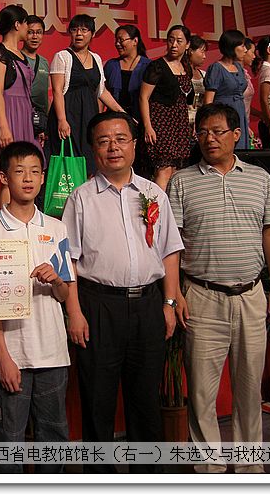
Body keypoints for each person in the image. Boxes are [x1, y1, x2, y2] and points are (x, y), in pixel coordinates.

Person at [62, 111, 183, 474]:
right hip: (99, 306)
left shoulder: (153, 194)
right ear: (93, 149)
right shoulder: (81, 198)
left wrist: (169, 302)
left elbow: (169, 250)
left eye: (120, 139)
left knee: (145, 400)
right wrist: (74, 312)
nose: (113, 147)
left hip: (148, 305)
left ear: (134, 144)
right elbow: (68, 260)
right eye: (103, 141)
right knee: (97, 400)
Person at [167, 103, 270, 474]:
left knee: (249, 388)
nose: (209, 139)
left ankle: (250, 466)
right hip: (201, 296)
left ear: (236, 134)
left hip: (251, 294)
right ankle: (209, 469)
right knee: (202, 391)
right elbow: (172, 243)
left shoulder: (259, 178)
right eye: (202, 132)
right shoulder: (182, 181)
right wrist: (176, 294)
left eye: (217, 131)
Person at [0, 141, 75, 474]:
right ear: (3, 177)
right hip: (10, 356)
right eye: (19, 171)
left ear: (43, 178)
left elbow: (64, 295)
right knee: (8, 441)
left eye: (35, 172)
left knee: (53, 437)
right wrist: (3, 357)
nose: (28, 178)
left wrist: (57, 280)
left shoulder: (56, 228)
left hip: (53, 353)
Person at [46, 14, 124, 176]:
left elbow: (101, 91)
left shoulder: (96, 58)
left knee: (89, 162)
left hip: (89, 115)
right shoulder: (63, 56)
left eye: (84, 30)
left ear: (92, 34)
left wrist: (121, 112)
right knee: (69, 163)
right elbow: (57, 91)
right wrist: (62, 120)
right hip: (69, 115)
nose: (79, 34)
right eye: (74, 30)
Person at [0, 4, 40, 207]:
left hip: (23, 117)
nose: (28, 29)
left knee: (25, 173)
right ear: (17, 25)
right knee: (9, 178)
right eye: (26, 24)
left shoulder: (21, 54)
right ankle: (6, 225)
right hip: (8, 117)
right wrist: (4, 127)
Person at [139, 24, 194, 190]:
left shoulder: (186, 67)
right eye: (171, 40)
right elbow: (143, 97)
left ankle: (171, 205)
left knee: (176, 170)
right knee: (164, 169)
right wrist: (148, 126)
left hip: (180, 125)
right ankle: (156, 206)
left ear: (187, 44)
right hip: (161, 123)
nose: (174, 45)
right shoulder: (157, 66)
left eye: (179, 41)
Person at [203, 29, 249, 149]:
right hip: (223, 116)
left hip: (239, 114)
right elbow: (208, 101)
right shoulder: (216, 68)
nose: (245, 50)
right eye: (242, 46)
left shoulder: (238, 67)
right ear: (231, 46)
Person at [104, 24, 151, 120]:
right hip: (114, 119)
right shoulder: (111, 65)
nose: (117, 44)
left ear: (135, 41)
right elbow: (102, 93)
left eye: (121, 40)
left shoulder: (148, 66)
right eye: (116, 40)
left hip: (140, 119)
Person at [22, 15, 51, 146]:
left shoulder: (44, 62)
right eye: (30, 32)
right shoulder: (16, 58)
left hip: (40, 120)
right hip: (22, 117)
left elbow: (45, 95)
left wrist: (47, 121)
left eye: (39, 32)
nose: (35, 37)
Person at [187, 35, 208, 129]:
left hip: (200, 122)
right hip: (184, 122)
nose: (204, 56)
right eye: (202, 51)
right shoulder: (180, 74)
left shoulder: (204, 75)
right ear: (191, 51)